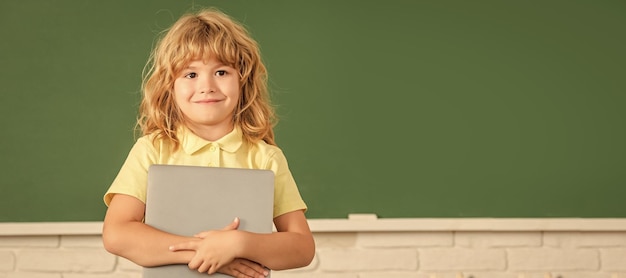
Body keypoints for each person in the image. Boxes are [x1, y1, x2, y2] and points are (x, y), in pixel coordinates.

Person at [102, 8, 315, 278]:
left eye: (222, 72)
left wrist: (238, 244)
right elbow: (117, 233)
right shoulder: (152, 150)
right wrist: (206, 253)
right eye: (191, 75)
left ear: (243, 80)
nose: (207, 86)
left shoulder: (265, 157)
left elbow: (302, 247)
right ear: (170, 86)